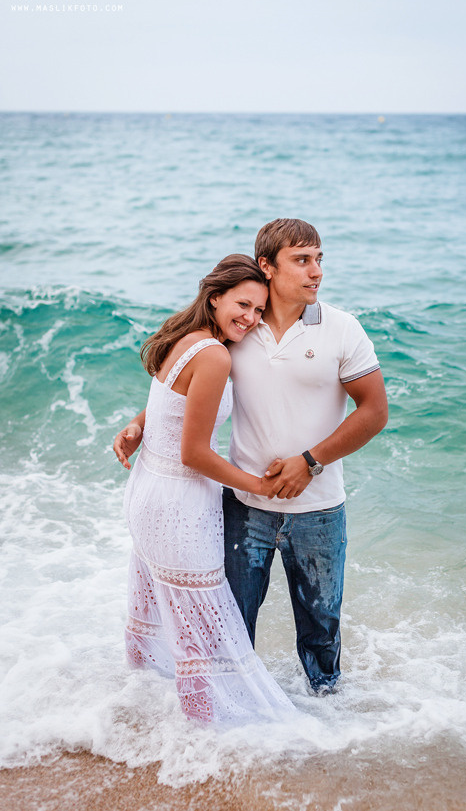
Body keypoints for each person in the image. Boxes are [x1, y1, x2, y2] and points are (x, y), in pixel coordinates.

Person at [116, 219, 388, 696]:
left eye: (319, 259)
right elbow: (186, 386)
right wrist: (142, 423)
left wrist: (311, 460)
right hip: (244, 508)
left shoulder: (344, 329)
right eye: (302, 260)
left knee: (322, 632)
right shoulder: (241, 330)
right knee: (232, 628)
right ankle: (237, 735)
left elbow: (375, 411)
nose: (316, 271)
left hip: (319, 508)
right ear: (268, 266)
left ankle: (331, 731)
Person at [117, 254, 294, 723]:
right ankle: (203, 740)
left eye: (259, 310)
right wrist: (258, 486)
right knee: (197, 628)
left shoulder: (186, 336)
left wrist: (136, 426)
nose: (251, 318)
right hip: (178, 504)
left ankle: (140, 719)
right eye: (242, 304)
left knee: (165, 614)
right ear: (214, 298)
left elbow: (167, 403)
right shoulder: (214, 355)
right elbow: (194, 453)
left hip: (147, 494)